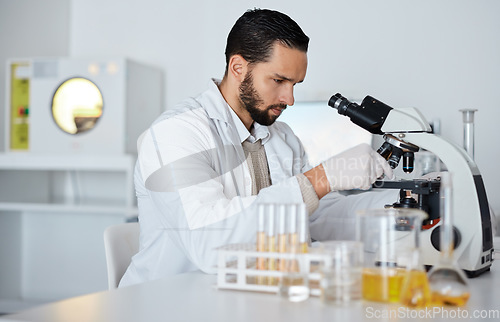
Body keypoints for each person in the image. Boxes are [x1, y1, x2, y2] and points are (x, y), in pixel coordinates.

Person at [119, 8, 397, 287]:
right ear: (238, 67)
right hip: (166, 302)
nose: (289, 98)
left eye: (295, 84)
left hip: (243, 298)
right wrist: (320, 179)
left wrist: (405, 209)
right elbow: (207, 243)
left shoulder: (281, 136)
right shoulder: (175, 133)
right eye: (278, 81)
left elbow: (319, 217)